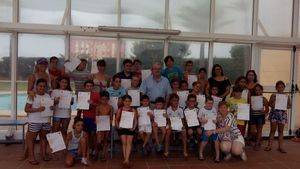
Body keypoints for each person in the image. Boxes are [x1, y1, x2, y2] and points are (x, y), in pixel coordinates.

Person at [24, 78, 52, 165]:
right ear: (36, 86)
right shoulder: (32, 95)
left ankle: (43, 154)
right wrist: (38, 109)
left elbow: (49, 108)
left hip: (46, 121)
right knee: (31, 139)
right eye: (40, 86)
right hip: (34, 121)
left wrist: (52, 108)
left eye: (44, 86)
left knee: (44, 138)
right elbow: (26, 109)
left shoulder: (47, 96)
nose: (42, 88)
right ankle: (31, 157)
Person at [265, 81, 291, 153]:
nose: (280, 88)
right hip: (274, 114)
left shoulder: (286, 96)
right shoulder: (273, 95)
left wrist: (284, 106)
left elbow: (289, 105)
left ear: (284, 88)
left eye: (282, 87)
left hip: (282, 115)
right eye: (279, 87)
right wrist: (273, 104)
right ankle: (269, 145)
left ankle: (280, 147)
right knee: (272, 130)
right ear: (276, 88)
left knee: (281, 131)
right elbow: (269, 104)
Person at [115, 95, 138, 168]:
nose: (127, 103)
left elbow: (135, 120)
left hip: (130, 128)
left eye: (128, 101)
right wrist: (118, 126)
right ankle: (126, 159)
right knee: (124, 143)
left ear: (131, 102)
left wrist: (134, 128)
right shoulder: (120, 109)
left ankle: (126, 159)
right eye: (126, 101)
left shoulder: (133, 110)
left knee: (129, 143)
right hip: (122, 128)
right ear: (123, 102)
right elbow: (116, 119)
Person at [79, 80, 100, 156]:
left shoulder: (96, 94)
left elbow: (100, 105)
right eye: (87, 86)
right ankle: (89, 148)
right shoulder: (82, 95)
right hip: (85, 117)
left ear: (93, 87)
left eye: (91, 86)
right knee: (86, 134)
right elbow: (80, 107)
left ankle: (95, 149)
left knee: (94, 134)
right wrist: (78, 117)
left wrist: (93, 103)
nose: (89, 87)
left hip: (94, 117)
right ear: (85, 87)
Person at [165, 94, 188, 158]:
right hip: (170, 124)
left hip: (179, 124)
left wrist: (183, 126)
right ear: (170, 101)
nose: (175, 102)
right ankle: (166, 150)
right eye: (173, 100)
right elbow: (168, 119)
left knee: (184, 132)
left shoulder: (180, 109)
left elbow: (182, 119)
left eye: (177, 101)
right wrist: (170, 125)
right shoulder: (168, 109)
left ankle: (185, 151)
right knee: (168, 132)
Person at [198, 96, 219, 162]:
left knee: (216, 140)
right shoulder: (201, 110)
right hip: (205, 127)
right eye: (209, 103)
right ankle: (200, 153)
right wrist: (202, 121)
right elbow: (198, 119)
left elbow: (216, 119)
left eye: (211, 103)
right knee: (205, 140)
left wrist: (216, 121)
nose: (210, 105)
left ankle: (217, 156)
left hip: (213, 127)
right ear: (205, 103)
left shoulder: (214, 109)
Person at [249, 84, 269, 150]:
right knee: (252, 131)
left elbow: (267, 109)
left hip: (260, 116)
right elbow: (249, 106)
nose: (257, 91)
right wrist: (250, 108)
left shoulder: (263, 99)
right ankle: (259, 139)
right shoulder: (252, 98)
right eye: (256, 90)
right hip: (253, 116)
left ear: (262, 91)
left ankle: (257, 144)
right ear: (254, 91)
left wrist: (264, 113)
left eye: (259, 90)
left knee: (259, 130)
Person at [95, 91, 113, 161]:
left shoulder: (110, 107)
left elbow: (111, 117)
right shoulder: (98, 107)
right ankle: (97, 152)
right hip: (100, 125)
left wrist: (110, 122)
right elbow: (96, 116)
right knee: (99, 139)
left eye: (106, 99)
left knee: (105, 140)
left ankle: (103, 155)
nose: (104, 101)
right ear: (100, 99)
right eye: (103, 99)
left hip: (107, 124)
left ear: (108, 99)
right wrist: (96, 122)